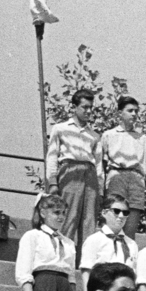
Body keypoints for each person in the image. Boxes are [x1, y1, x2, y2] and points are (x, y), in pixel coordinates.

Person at [45, 89, 101, 256]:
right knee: (67, 218)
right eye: (84, 107)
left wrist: (101, 190)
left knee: (88, 222)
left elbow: (98, 165)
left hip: (90, 176)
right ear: (74, 107)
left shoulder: (95, 136)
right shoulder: (60, 128)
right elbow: (52, 156)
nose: (88, 111)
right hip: (69, 172)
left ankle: (84, 263)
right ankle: (61, 258)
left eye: (91, 107)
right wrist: (53, 182)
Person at [98, 96, 146, 238]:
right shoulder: (108, 135)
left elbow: (145, 164)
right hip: (116, 176)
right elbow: (102, 165)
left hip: (136, 179)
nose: (134, 114)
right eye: (130, 110)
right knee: (113, 219)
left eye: (136, 111)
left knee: (131, 225)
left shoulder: (143, 138)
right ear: (120, 113)